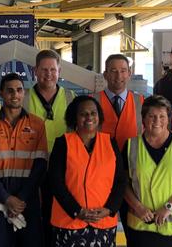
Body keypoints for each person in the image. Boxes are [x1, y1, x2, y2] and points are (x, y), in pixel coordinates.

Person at [48, 96, 127, 247]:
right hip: (69, 223)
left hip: (103, 223)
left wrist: (109, 209)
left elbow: (120, 181)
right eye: (83, 114)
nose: (89, 117)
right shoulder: (63, 143)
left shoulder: (110, 143)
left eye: (93, 113)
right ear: (74, 118)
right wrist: (77, 211)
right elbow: (55, 182)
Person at [0, 73, 48, 247]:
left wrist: (20, 200)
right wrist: (6, 198)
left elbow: (40, 165)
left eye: (19, 90)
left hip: (28, 198)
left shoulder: (37, 125)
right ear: (1, 93)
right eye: (10, 90)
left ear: (24, 93)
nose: (15, 95)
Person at [123, 95, 172, 246]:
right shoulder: (131, 145)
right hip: (141, 226)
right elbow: (123, 183)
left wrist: (168, 207)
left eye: (162, 116)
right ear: (143, 119)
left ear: (169, 119)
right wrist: (138, 207)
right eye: (152, 116)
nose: (157, 121)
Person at [23, 49, 76, 246]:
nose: (48, 74)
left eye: (53, 69)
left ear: (59, 71)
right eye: (44, 69)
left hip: (63, 168)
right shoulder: (25, 97)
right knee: (34, 215)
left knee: (58, 213)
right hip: (31, 166)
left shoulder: (71, 97)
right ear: (35, 71)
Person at [94, 54, 144, 245]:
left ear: (129, 74)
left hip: (134, 178)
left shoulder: (142, 103)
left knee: (135, 232)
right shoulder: (92, 101)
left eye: (123, 71)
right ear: (105, 74)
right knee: (102, 232)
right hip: (101, 179)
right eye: (113, 71)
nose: (118, 76)